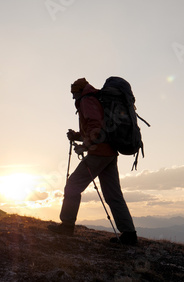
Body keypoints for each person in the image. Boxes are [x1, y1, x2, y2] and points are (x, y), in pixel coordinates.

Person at [48, 78, 138, 245]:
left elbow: (95, 125)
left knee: (73, 186)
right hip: (110, 152)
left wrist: (86, 146)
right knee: (113, 194)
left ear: (79, 91)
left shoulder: (87, 99)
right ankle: (129, 234)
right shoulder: (96, 98)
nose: (73, 97)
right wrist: (77, 136)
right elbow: (99, 127)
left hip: (99, 153)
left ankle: (67, 225)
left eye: (73, 93)